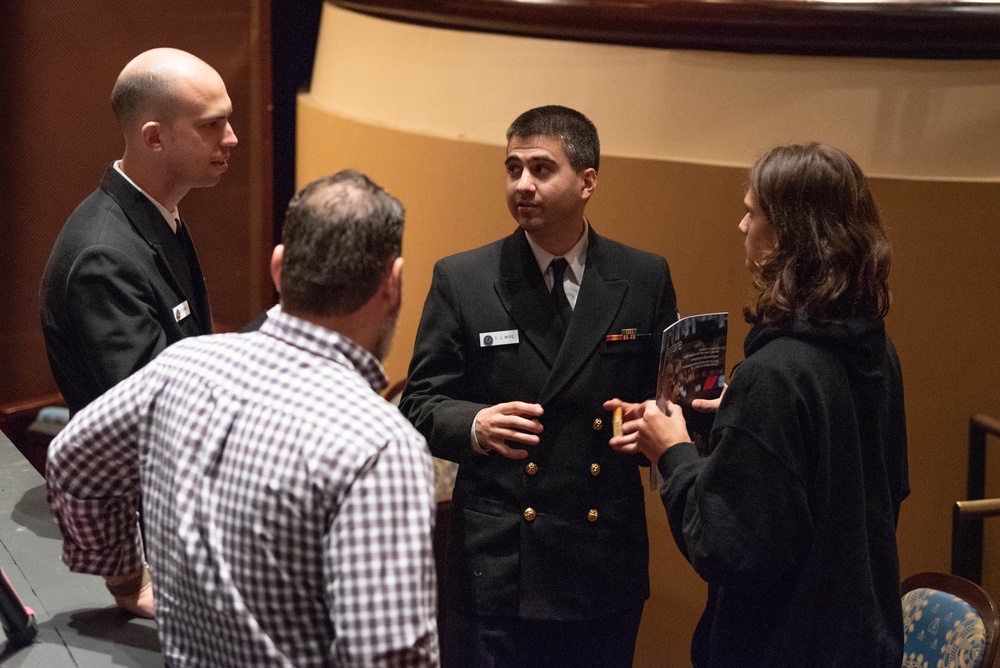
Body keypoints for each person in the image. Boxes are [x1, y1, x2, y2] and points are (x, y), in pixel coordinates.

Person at [47, 171, 440, 667]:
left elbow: (72, 461)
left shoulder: (181, 366)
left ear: (278, 268)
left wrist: (126, 578)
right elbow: (387, 655)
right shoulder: (380, 446)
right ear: (394, 283)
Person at [607, 143, 909, 667]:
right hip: (861, 639)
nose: (741, 226)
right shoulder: (879, 352)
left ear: (789, 235)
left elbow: (723, 547)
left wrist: (672, 453)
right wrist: (738, 421)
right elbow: (873, 489)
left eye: (752, 213)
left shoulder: (773, 377)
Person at [400, 105, 678, 667]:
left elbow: (664, 400)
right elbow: (420, 403)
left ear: (587, 181)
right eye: (513, 168)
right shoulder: (466, 278)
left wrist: (646, 422)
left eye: (541, 169)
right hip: (502, 563)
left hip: (601, 558)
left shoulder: (643, 277)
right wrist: (475, 424)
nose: (522, 185)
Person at [41, 47, 238, 418]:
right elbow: (155, 412)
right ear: (155, 138)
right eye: (212, 124)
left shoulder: (156, 215)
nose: (231, 138)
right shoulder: (103, 259)